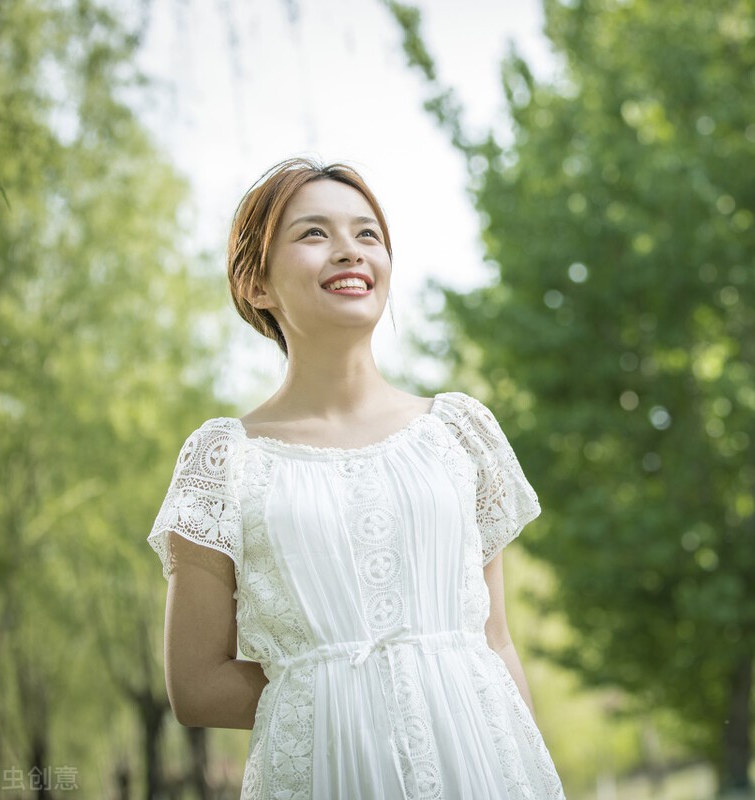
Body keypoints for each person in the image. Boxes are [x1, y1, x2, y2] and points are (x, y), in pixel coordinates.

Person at [146, 157, 566, 799]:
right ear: (256, 283)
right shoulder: (223, 462)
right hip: (327, 775)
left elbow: (494, 640)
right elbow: (196, 685)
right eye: (314, 234)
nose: (349, 251)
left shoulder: (458, 432)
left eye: (367, 234)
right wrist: (344, 691)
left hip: (484, 767)